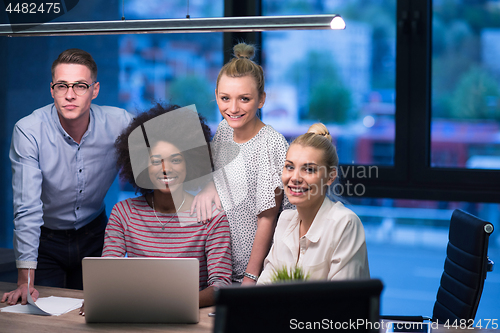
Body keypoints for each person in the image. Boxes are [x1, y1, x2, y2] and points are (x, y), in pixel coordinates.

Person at [1, 49, 133, 305]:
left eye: (80, 86)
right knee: (43, 317)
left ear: (94, 90)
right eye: (62, 86)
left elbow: (166, 148)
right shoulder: (29, 130)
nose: (70, 95)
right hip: (46, 242)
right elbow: (27, 208)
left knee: (97, 313)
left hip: (96, 236)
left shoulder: (120, 122)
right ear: (52, 90)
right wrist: (25, 281)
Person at [101, 104, 232, 307]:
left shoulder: (211, 217)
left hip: (188, 315)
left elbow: (220, 287)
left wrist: (169, 304)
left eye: (176, 160)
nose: (165, 169)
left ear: (190, 163)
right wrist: (99, 297)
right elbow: (106, 276)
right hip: (136, 315)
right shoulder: (124, 213)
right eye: (156, 161)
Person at [191, 43, 291, 285]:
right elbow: (217, 175)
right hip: (219, 263)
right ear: (216, 96)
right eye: (225, 98)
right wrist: (207, 187)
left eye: (244, 99)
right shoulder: (224, 130)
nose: (233, 108)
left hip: (256, 269)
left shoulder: (272, 144)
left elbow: (268, 218)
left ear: (261, 100)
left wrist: (250, 277)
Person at [257, 123, 370, 284]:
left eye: (309, 169)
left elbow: (342, 303)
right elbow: (262, 290)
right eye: (289, 167)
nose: (295, 178)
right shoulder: (285, 220)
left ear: (330, 177)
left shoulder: (345, 224)